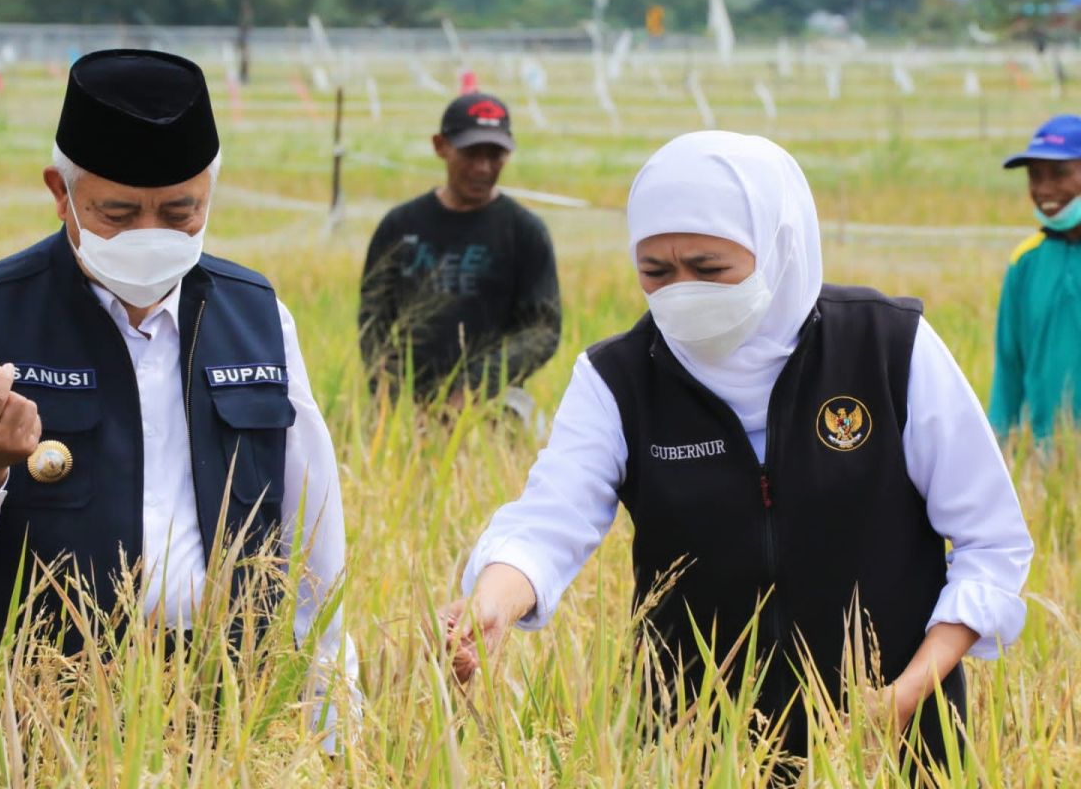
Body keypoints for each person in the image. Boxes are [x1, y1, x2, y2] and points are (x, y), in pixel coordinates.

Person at [443, 132, 1033, 766]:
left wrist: (907, 692)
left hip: (892, 732)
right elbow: (549, 519)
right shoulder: (619, 377)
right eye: (656, 272)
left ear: (777, 246)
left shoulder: (886, 347)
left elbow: (989, 543)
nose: (682, 292)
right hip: (695, 736)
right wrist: (493, 601)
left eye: (710, 268)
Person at [0, 49, 356, 742]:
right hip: (38, 715)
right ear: (60, 191)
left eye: (179, 212)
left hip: (224, 711)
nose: (149, 236)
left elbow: (312, 537)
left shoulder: (258, 319)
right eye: (117, 212)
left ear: (210, 195)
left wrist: (329, 720)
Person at [357, 92, 561, 410]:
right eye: (470, 153)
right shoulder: (400, 226)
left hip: (495, 399)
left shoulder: (525, 231)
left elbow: (543, 330)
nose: (482, 167)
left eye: (495, 155)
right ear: (441, 146)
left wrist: (476, 385)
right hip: (407, 400)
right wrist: (393, 397)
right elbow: (373, 320)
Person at [990, 114, 1081, 441]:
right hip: (1049, 462)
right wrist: (999, 447)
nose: (1044, 189)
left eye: (1060, 173)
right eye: (1034, 175)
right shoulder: (1024, 262)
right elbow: (1009, 368)